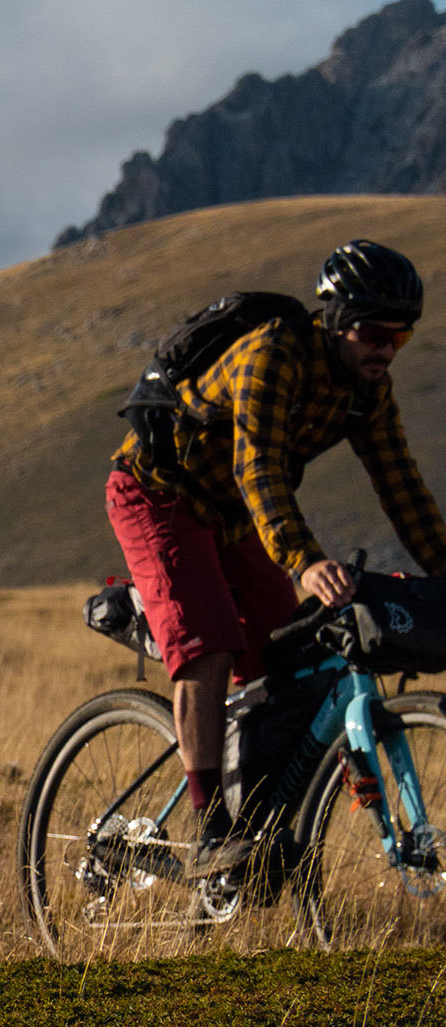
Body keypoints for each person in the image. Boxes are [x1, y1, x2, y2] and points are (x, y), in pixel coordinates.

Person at [107, 238, 446, 876]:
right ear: (338, 320)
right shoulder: (274, 353)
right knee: (211, 646)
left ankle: (258, 827)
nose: (385, 349)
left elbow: (405, 493)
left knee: (289, 658)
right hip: (158, 495)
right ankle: (211, 831)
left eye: (400, 338)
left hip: (231, 520)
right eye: (374, 332)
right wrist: (304, 560)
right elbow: (257, 467)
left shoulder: (368, 393)